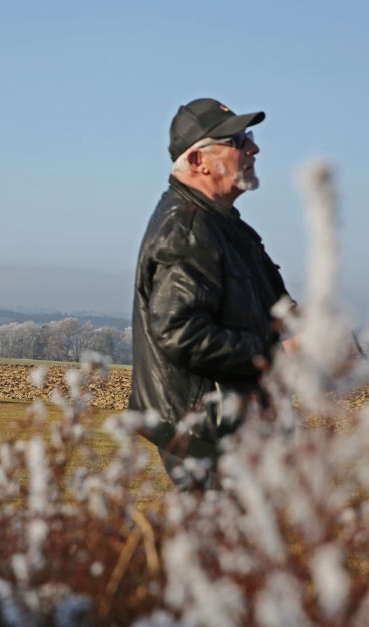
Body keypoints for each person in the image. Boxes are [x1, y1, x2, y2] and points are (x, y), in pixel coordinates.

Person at [128, 98, 291, 490]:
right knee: (226, 531)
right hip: (204, 435)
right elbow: (180, 333)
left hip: (226, 430)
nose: (253, 148)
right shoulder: (187, 228)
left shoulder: (223, 226)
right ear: (198, 160)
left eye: (248, 137)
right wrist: (276, 351)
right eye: (237, 141)